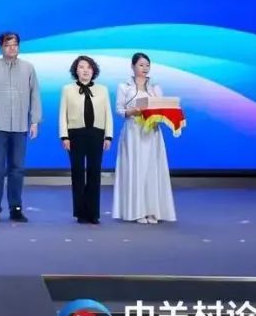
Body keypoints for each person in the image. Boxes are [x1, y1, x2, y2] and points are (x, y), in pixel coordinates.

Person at [0, 32, 41, 223]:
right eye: (8, 45)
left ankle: (16, 208)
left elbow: (35, 95)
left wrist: (35, 121)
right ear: (1, 48)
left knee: (17, 168)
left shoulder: (28, 68)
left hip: (20, 126)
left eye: (15, 44)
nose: (12, 48)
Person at [113, 52, 177, 224]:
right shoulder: (124, 87)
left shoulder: (155, 87)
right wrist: (133, 111)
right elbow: (119, 110)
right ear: (132, 66)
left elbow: (161, 108)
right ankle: (137, 211)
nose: (145, 68)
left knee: (151, 169)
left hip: (151, 132)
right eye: (141, 65)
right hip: (133, 132)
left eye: (147, 65)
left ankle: (152, 210)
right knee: (136, 169)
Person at [59, 55, 113, 225]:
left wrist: (108, 136)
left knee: (94, 173)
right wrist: (64, 136)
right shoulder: (67, 89)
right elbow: (63, 114)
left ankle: (93, 213)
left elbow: (108, 113)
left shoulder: (102, 90)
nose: (85, 70)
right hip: (75, 134)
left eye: (89, 67)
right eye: (81, 67)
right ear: (76, 70)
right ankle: (80, 213)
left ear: (93, 70)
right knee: (77, 173)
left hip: (97, 134)